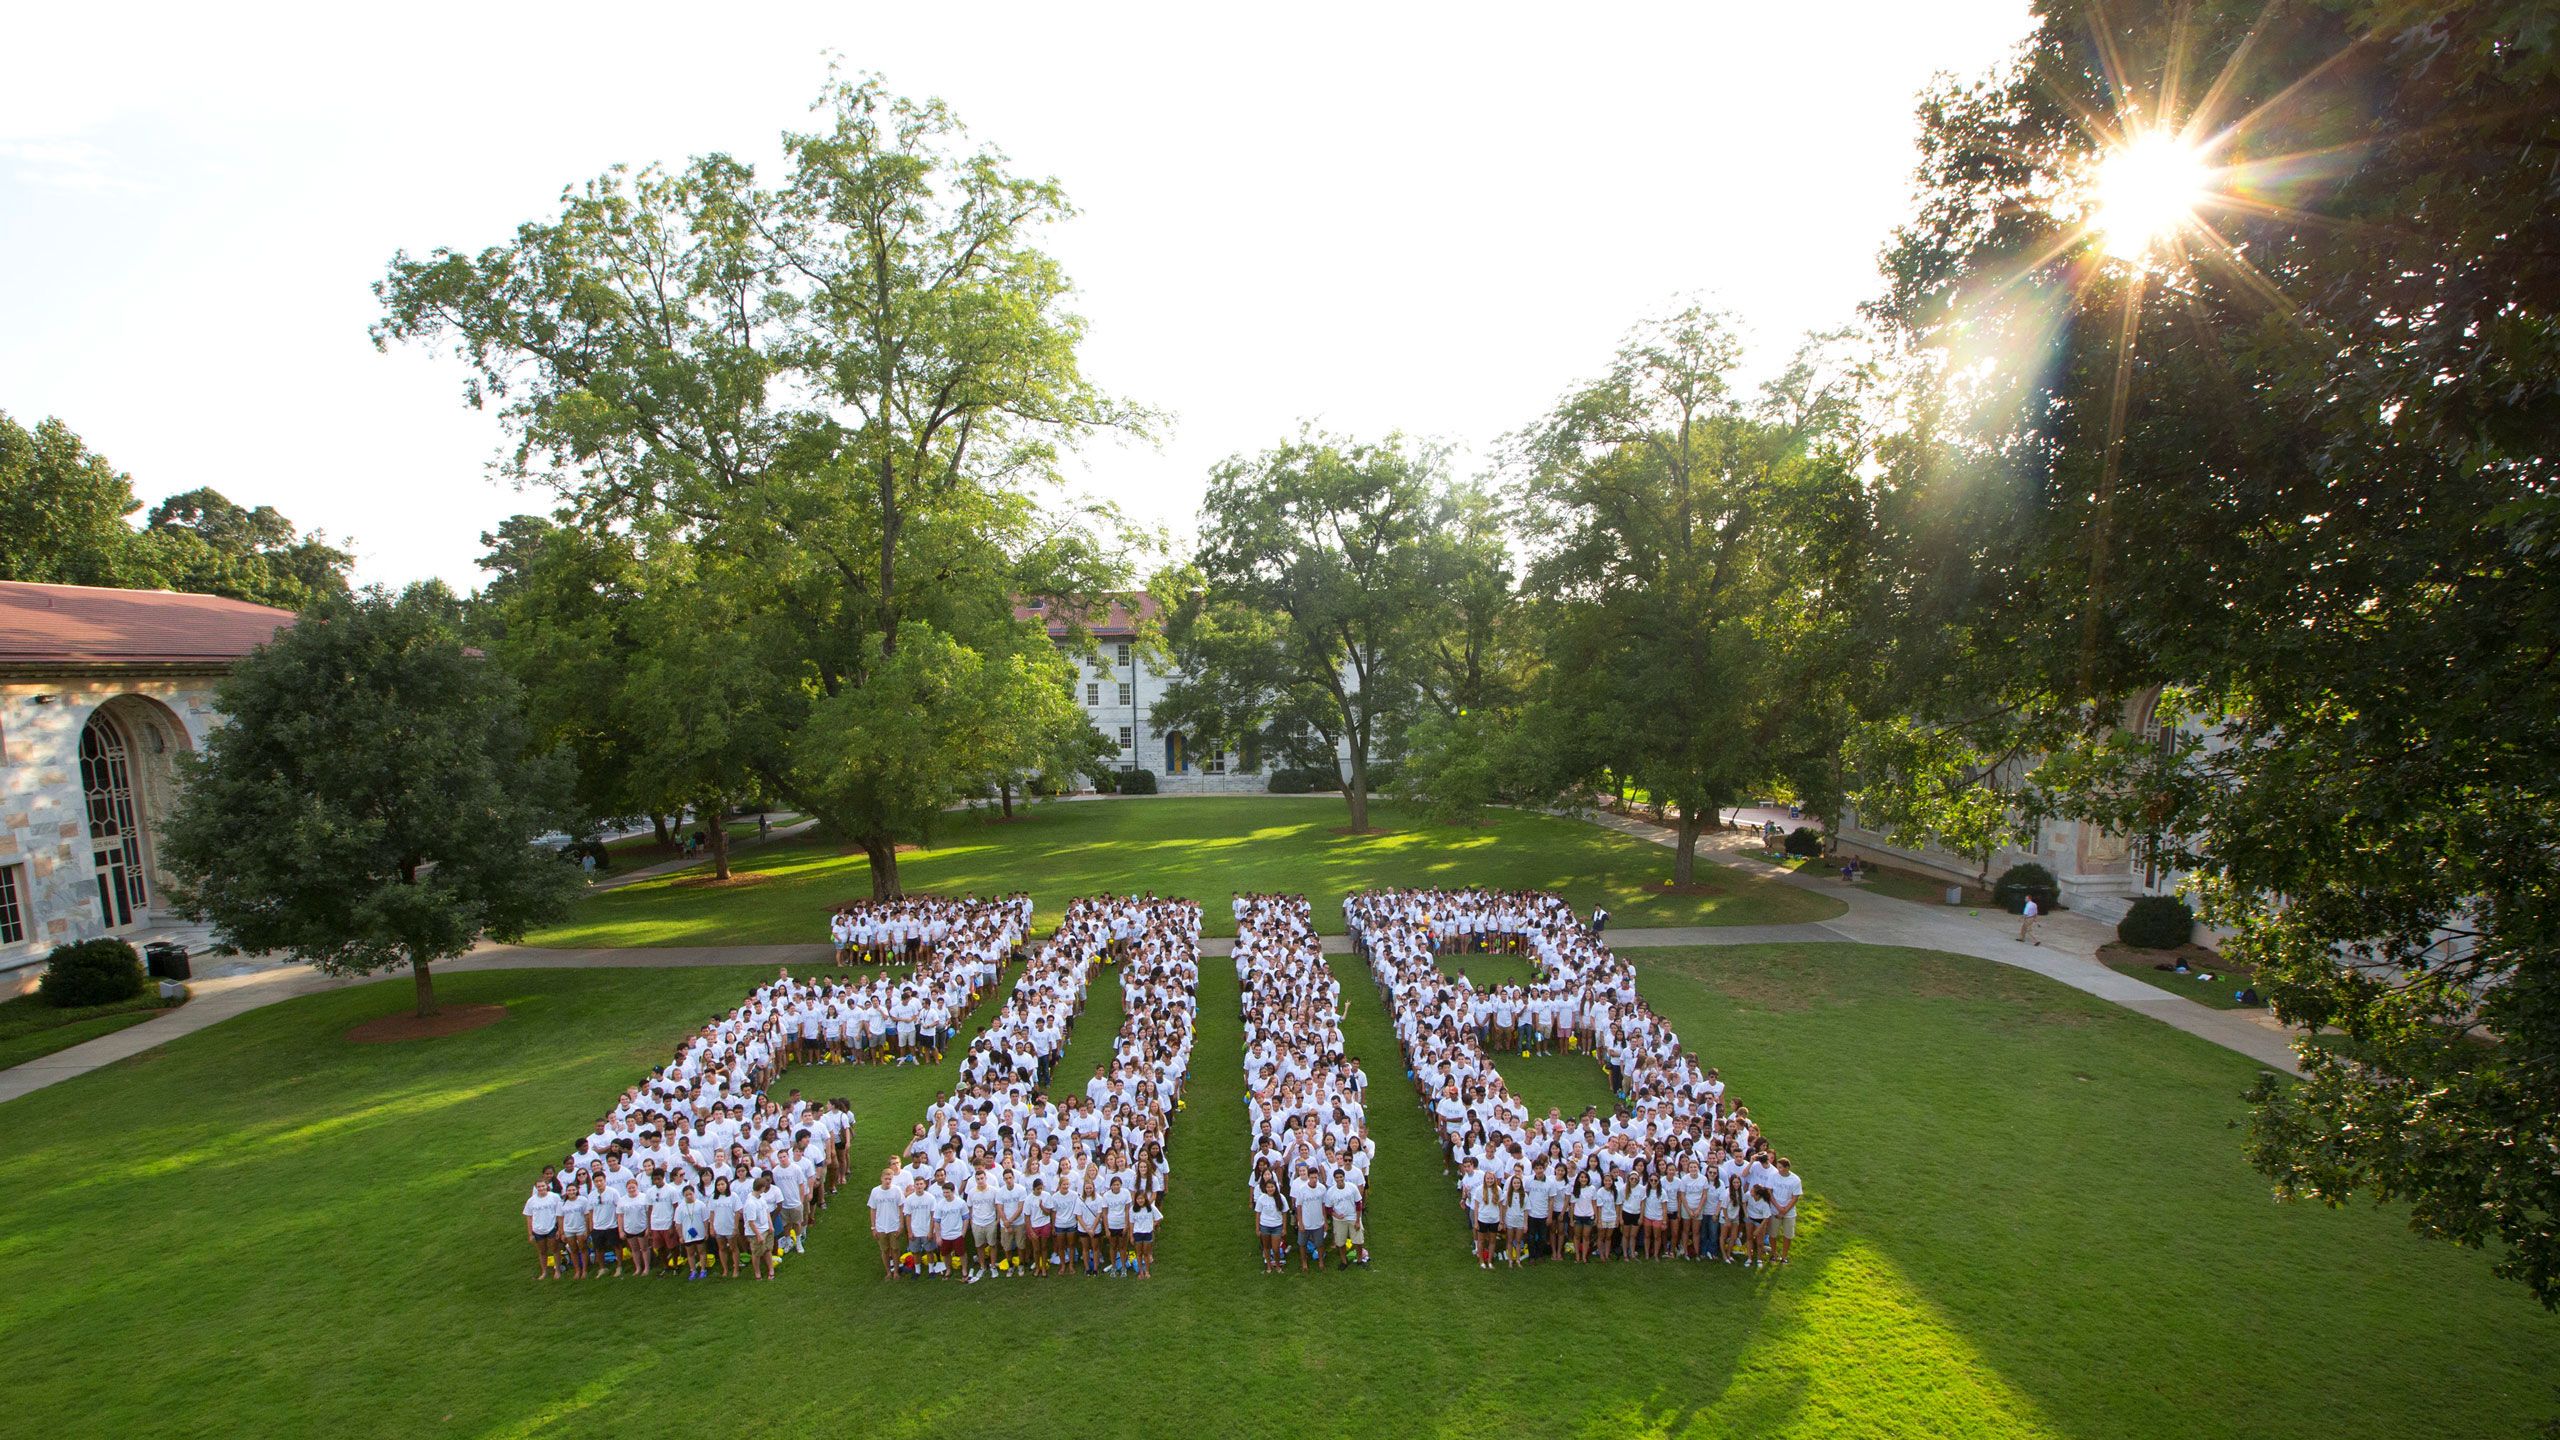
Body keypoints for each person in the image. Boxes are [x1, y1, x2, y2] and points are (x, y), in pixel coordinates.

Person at [1768, 1157, 1804, 1265]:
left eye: (1780, 1167)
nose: (1778, 1169)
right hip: (1775, 1210)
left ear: (1787, 1168)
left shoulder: (1795, 1180)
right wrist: (1778, 1207)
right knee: (1773, 1234)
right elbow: (1769, 1192)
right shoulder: (1773, 1176)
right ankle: (1774, 1254)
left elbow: (1795, 1197)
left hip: (1789, 1213)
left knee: (1788, 1235)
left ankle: (1784, 1256)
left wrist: (1785, 1210)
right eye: (1777, 1167)